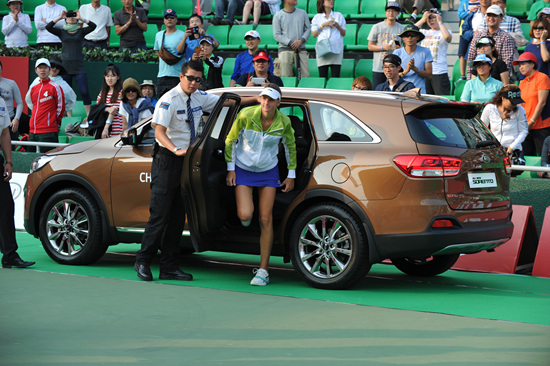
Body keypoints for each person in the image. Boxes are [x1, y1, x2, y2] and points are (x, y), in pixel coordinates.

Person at [134, 60, 220, 282]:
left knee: (176, 217)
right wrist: (176, 149)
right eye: (190, 78)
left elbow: (226, 102)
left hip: (186, 162)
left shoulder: (200, 97)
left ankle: (169, 266)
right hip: (167, 160)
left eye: (198, 79)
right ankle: (143, 261)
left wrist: (256, 99)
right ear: (181, 77)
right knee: (160, 215)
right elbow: (160, 132)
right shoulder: (168, 99)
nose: (193, 83)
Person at [225, 84, 296, 286]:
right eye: (264, 98)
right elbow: (230, 140)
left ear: (278, 103)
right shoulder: (246, 115)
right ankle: (247, 223)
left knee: (266, 219)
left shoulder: (284, 122)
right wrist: (231, 169)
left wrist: (291, 174)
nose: (266, 102)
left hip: (268, 171)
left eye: (271, 99)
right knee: (245, 215)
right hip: (243, 168)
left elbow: (290, 147)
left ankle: (263, 271)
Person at [0, 97, 35, 269]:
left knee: (6, 206)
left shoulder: (0, 101)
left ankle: (9, 255)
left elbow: (5, 132)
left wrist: (9, 161)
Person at [46, 10, 95, 117]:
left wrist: (81, 18)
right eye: (69, 16)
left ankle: (89, 117)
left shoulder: (81, 31)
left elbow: (93, 26)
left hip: (79, 67)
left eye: (73, 16)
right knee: (65, 94)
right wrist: (59, 17)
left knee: (84, 91)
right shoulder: (61, 32)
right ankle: (69, 118)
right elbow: (48, 27)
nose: (71, 18)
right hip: (65, 67)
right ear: (65, 19)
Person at [480, 85, 528, 163]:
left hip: (514, 150)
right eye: (512, 102)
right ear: (503, 98)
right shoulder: (489, 108)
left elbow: (524, 131)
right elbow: (482, 129)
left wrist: (512, 147)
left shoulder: (520, 110)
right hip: (494, 150)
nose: (515, 105)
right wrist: (488, 145)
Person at [467, 4, 516, 79]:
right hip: (478, 78)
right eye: (489, 15)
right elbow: (471, 58)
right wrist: (470, 81)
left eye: (494, 15)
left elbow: (507, 64)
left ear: (501, 18)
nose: (491, 18)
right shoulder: (478, 36)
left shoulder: (506, 38)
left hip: (497, 79)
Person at [515, 52, 550, 156]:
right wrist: (523, 123)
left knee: (544, 158)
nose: (521, 67)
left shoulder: (542, 77)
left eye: (524, 64)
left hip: (541, 126)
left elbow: (542, 102)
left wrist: (531, 122)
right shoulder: (522, 82)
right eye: (520, 65)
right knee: (526, 157)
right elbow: (520, 104)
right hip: (526, 126)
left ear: (533, 64)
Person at [27, 58, 65, 149]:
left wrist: (53, 121)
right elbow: (33, 105)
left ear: (49, 70)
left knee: (48, 161)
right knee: (30, 160)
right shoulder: (34, 88)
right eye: (40, 68)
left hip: (48, 132)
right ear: (36, 70)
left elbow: (61, 107)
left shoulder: (55, 87)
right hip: (33, 131)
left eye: (45, 67)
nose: (42, 70)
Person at [367, 1, 405, 89]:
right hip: (379, 67)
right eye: (389, 11)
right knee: (378, 92)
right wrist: (382, 47)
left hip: (395, 67)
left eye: (393, 11)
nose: (391, 13)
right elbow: (370, 46)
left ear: (397, 13)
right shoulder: (377, 27)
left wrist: (400, 48)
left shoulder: (401, 28)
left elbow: (406, 47)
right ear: (385, 12)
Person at [416, 8, 452, 95]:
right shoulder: (424, 32)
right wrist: (423, 19)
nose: (431, 20)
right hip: (424, 72)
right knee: (426, 100)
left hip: (439, 72)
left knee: (441, 100)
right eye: (429, 18)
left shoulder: (444, 32)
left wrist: (440, 22)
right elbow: (409, 31)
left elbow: (447, 37)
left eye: (434, 17)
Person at [273, 0, 311, 78]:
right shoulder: (278, 16)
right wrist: (291, 43)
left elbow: (308, 29)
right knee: (286, 78)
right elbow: (277, 35)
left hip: (301, 49)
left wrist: (301, 40)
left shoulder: (303, 13)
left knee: (305, 77)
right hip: (285, 50)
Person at [311, 0, 346, 79]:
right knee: (323, 76)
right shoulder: (317, 17)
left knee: (335, 76)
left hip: (336, 49)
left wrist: (337, 25)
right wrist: (323, 25)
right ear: (322, 2)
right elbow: (314, 34)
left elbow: (343, 33)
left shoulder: (339, 15)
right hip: (323, 49)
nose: (331, 1)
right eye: (328, 0)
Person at [154, 9, 185, 98]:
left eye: (172, 17)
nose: (169, 19)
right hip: (162, 75)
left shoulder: (183, 35)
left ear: (176, 19)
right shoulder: (158, 35)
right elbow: (157, 51)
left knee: (178, 103)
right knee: (162, 104)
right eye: (167, 17)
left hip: (177, 75)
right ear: (164, 20)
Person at [393, 24, 433, 94]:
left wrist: (414, 68)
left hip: (419, 91)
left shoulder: (425, 51)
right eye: (407, 35)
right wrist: (406, 71)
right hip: (400, 91)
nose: (409, 38)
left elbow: (429, 75)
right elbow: (392, 74)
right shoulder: (397, 52)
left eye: (412, 35)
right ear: (403, 38)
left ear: (417, 38)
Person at [0, 60, 27, 145]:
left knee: (11, 148)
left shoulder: (11, 83)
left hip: (10, 122)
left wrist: (16, 118)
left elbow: (19, 103)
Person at [96, 64, 123, 138]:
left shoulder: (121, 93)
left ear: (118, 77)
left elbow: (113, 111)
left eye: (113, 76)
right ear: (104, 77)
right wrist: (107, 108)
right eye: (107, 76)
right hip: (103, 131)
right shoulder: (102, 93)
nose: (110, 79)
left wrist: (106, 128)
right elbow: (97, 108)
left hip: (117, 131)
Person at [457, 0, 481, 81]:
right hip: (464, 32)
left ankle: (474, 74)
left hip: (477, 31)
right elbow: (460, 15)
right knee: (462, 54)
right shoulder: (464, 2)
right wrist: (469, 12)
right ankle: (463, 75)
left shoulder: (482, 1)